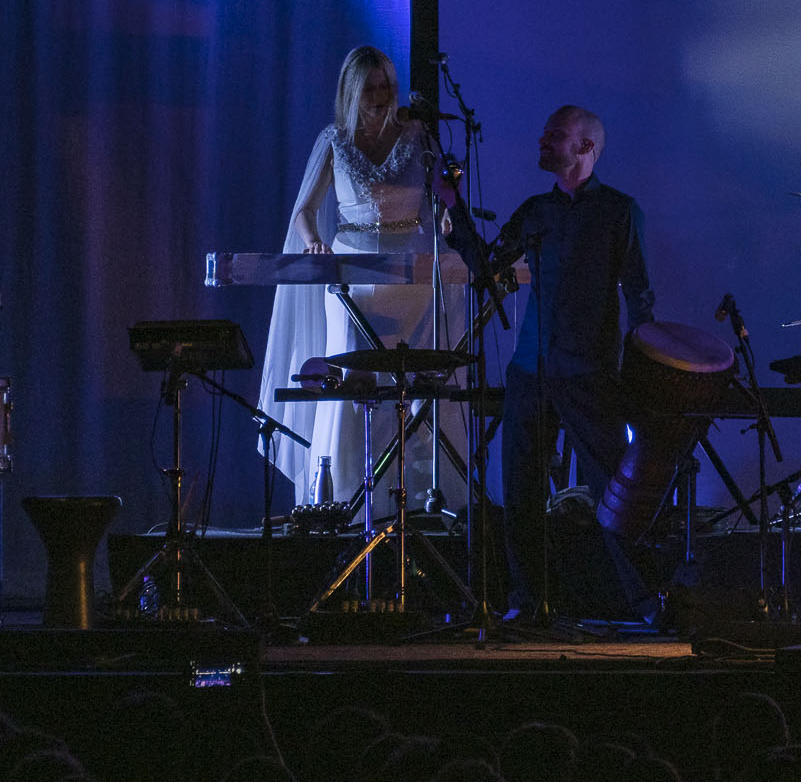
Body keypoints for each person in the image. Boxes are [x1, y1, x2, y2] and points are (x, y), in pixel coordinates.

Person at [438, 105, 655, 618]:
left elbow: (640, 297)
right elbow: (488, 267)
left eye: (555, 135)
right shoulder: (537, 210)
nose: (542, 140)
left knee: (613, 492)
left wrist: (637, 373)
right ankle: (527, 600)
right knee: (521, 491)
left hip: (590, 372)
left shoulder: (620, 211)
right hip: (531, 368)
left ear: (586, 148)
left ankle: (644, 600)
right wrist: (454, 212)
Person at [256, 46, 467, 508]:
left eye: (386, 85)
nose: (379, 94)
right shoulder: (334, 140)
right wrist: (314, 241)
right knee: (353, 381)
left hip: (411, 278)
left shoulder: (418, 135)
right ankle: (350, 498)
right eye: (370, 86)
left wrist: (445, 217)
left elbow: (439, 199)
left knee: (412, 382)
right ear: (352, 90)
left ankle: (420, 499)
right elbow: (305, 212)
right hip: (351, 272)